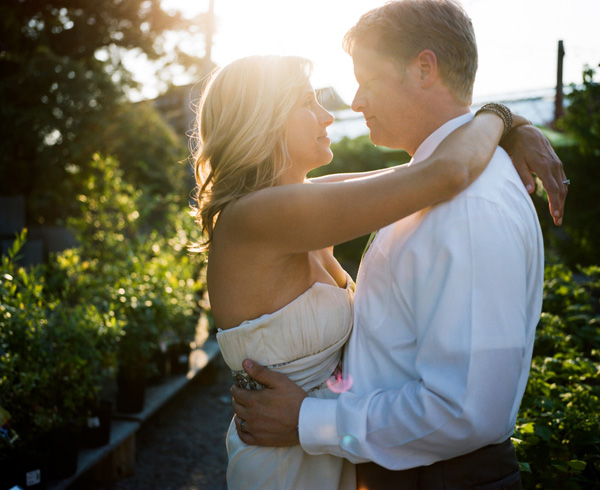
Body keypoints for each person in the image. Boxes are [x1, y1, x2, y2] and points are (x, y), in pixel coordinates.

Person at [229, 1, 568, 489]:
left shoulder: (466, 206)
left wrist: (308, 420)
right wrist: (505, 121)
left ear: (424, 68)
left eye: (366, 79)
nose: (354, 102)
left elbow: (465, 412)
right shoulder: (422, 183)